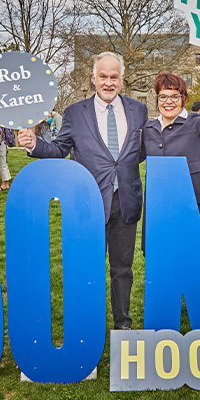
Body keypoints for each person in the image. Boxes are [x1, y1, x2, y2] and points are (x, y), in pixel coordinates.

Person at [17, 51, 148, 330]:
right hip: (89, 202)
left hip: (126, 200)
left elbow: (142, 150)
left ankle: (123, 324)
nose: (108, 82)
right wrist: (34, 144)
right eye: (103, 76)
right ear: (93, 78)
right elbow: (60, 148)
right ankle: (87, 326)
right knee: (88, 266)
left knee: (123, 269)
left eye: (114, 77)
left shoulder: (139, 110)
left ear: (122, 79)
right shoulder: (76, 113)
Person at [141, 48, 200, 230]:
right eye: (163, 96)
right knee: (160, 256)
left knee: (192, 256)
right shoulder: (148, 129)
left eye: (174, 96)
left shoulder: (194, 124)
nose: (168, 101)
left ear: (183, 98)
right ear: (157, 99)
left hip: (191, 204)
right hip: (158, 206)